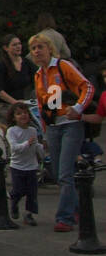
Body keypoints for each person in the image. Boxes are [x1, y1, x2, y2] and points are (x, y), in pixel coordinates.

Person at [29, 32, 95, 233]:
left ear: (50, 48)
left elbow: (87, 87)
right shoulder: (39, 75)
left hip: (70, 124)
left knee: (65, 172)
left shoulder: (63, 67)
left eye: (40, 47)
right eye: (33, 48)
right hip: (54, 127)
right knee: (58, 173)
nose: (37, 51)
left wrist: (78, 108)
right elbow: (42, 106)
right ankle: (78, 207)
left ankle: (65, 217)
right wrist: (45, 131)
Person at [5, 103, 43, 226]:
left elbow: (36, 146)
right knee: (19, 190)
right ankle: (14, 203)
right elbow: (15, 148)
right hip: (17, 166)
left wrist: (42, 152)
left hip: (31, 166)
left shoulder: (33, 130)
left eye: (25, 113)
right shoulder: (11, 131)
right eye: (19, 113)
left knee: (32, 192)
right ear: (13, 117)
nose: (23, 116)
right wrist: (27, 143)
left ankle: (29, 214)